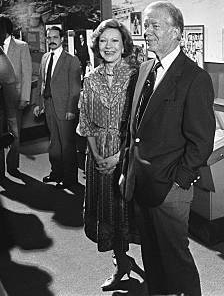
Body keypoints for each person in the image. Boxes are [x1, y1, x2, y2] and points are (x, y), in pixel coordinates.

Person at [120, 1, 215, 296]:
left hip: (170, 190)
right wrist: (127, 170)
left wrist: (180, 180)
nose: (146, 31)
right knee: (152, 256)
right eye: (145, 25)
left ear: (176, 32)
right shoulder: (144, 69)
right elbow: (132, 129)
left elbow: (201, 142)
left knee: (177, 260)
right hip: (141, 181)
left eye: (154, 26)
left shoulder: (194, 78)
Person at [77, 19, 143, 291]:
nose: (109, 46)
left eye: (115, 40)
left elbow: (140, 123)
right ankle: (120, 263)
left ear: (124, 44)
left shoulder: (137, 76)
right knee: (108, 213)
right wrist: (97, 156)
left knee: (129, 212)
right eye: (103, 41)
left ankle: (148, 263)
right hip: (98, 157)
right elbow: (86, 122)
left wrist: (118, 157)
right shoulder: (90, 78)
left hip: (128, 154)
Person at [33, 26, 82, 191]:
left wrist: (71, 109)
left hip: (64, 107)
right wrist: (39, 104)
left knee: (67, 145)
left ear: (62, 39)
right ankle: (56, 173)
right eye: (49, 37)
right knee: (54, 143)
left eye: (55, 37)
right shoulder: (45, 57)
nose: (51, 40)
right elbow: (42, 83)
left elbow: (75, 88)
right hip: (48, 105)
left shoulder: (71, 60)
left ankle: (69, 179)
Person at [0, 14, 33, 174]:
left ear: (5, 29)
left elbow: (27, 73)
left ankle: (13, 166)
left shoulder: (22, 46)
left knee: (14, 133)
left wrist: (25, 97)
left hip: (15, 98)